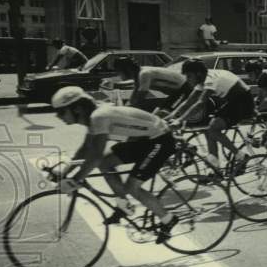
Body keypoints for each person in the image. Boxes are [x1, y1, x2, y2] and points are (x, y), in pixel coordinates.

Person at [49, 86, 178, 241]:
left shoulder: (98, 117)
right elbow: (85, 149)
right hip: (144, 140)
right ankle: (123, 205)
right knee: (105, 163)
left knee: (132, 187)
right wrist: (65, 171)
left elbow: (95, 155)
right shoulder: (93, 118)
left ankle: (168, 219)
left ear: (77, 109)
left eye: (61, 112)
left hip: (161, 140)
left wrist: (75, 180)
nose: (58, 116)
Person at [167, 59, 255, 171]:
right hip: (231, 100)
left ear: (198, 73)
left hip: (243, 101)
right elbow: (189, 101)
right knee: (209, 130)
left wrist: (179, 120)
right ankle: (214, 168)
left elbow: (199, 103)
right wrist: (171, 115)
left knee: (213, 128)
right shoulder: (202, 79)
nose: (188, 79)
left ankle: (241, 156)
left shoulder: (210, 79)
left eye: (189, 76)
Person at [114, 57, 190, 111]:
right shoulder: (138, 75)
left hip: (184, 88)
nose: (119, 74)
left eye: (119, 72)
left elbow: (141, 96)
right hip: (176, 92)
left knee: (164, 113)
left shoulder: (144, 74)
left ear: (127, 69)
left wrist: (128, 109)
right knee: (159, 111)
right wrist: (126, 106)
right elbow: (135, 95)